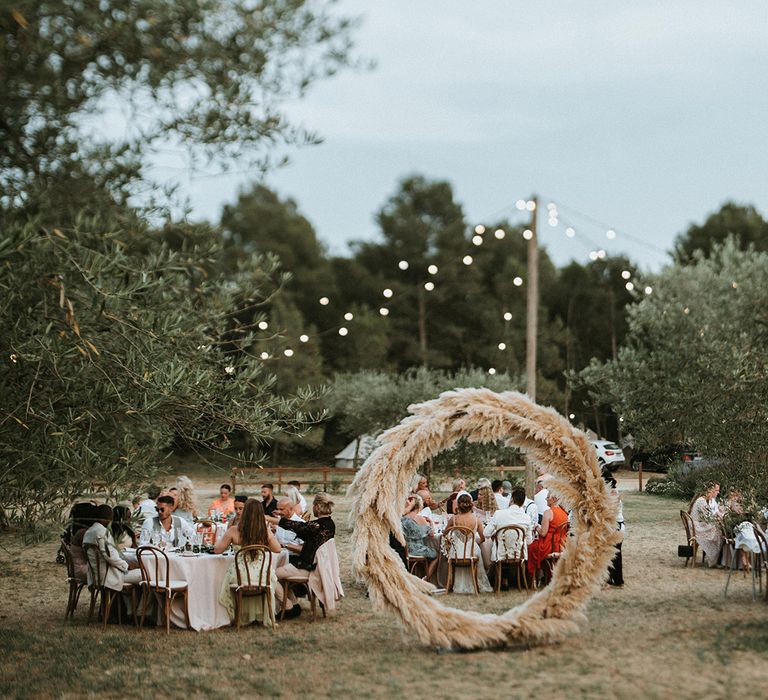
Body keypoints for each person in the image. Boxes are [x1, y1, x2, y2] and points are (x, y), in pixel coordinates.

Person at [215, 499, 281, 626]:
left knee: (223, 577)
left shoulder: (234, 530)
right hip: (261, 577)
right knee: (270, 575)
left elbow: (217, 550)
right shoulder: (265, 532)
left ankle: (231, 617)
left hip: (240, 577)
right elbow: (277, 549)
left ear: (244, 513)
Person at [275, 492, 336, 618]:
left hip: (309, 569)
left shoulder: (317, 525)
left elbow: (294, 525)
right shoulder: (329, 525)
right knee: (280, 574)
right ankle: (294, 605)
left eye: (313, 505)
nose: (312, 507)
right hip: (318, 567)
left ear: (317, 507)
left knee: (271, 575)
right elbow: (303, 530)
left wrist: (271, 519)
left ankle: (289, 607)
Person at [82, 505, 142, 608]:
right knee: (144, 574)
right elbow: (110, 557)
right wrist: (126, 566)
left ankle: (129, 609)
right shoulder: (102, 532)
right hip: (107, 575)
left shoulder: (89, 531)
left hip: (96, 574)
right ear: (108, 517)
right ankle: (137, 612)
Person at [444, 493, 492, 593]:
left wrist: (452, 537)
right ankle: (476, 585)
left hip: (457, 554)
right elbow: (483, 538)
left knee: (454, 551)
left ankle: (453, 584)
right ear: (471, 505)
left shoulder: (453, 519)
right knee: (477, 550)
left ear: (458, 505)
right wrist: (473, 541)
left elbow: (444, 533)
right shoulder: (477, 520)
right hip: (471, 553)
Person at [526, 493, 569, 582]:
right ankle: (546, 575)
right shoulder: (564, 513)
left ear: (554, 499)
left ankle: (533, 578)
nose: (546, 499)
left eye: (547, 497)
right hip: (562, 544)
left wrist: (536, 527)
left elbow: (543, 533)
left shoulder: (548, 512)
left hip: (550, 545)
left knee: (531, 547)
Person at [484, 487, 533, 563]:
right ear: (523, 503)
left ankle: (495, 574)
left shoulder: (499, 514)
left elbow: (486, 533)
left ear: (511, 500)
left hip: (500, 555)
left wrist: (497, 533)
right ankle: (520, 574)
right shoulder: (527, 518)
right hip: (519, 555)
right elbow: (529, 541)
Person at [401, 495, 438, 579]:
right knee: (436, 555)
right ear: (419, 505)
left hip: (405, 550)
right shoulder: (420, 518)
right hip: (417, 550)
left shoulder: (402, 518)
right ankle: (426, 578)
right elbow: (431, 534)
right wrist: (430, 522)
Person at [688, 483, 724, 567]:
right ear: (709, 491)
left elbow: (708, 515)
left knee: (716, 530)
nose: (717, 493)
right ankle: (714, 560)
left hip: (697, 524)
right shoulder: (701, 501)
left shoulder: (703, 500)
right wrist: (718, 518)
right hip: (696, 527)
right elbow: (708, 516)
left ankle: (715, 559)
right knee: (718, 533)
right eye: (715, 491)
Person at [605, 476, 625, 587]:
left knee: (614, 554)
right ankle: (617, 580)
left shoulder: (612, 495)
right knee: (615, 554)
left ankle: (615, 580)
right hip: (616, 526)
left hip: (616, 527)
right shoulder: (613, 494)